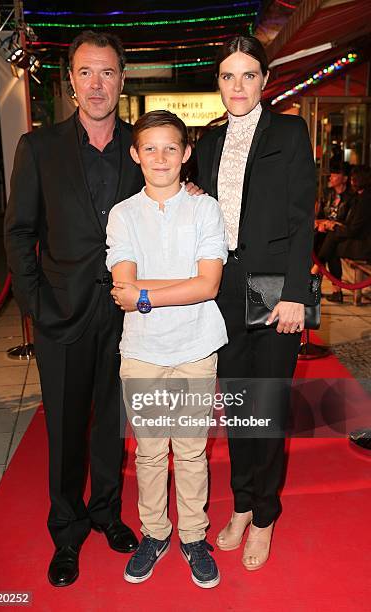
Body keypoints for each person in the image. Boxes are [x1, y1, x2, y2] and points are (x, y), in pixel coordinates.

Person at [5, 30, 200, 588]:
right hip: (60, 315)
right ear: (70, 81)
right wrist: (36, 305)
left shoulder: (139, 150)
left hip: (126, 318)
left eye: (108, 73)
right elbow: (19, 233)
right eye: (86, 73)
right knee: (65, 430)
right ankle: (66, 533)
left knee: (113, 425)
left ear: (122, 80)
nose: (97, 84)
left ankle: (107, 514)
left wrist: (189, 190)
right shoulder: (38, 148)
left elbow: (171, 190)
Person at [195, 35, 315, 570]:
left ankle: (265, 515)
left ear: (265, 81)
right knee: (239, 407)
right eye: (227, 76)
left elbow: (300, 219)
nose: (237, 86)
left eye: (248, 75)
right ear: (217, 82)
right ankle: (242, 503)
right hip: (222, 291)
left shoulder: (290, 132)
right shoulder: (208, 142)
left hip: (274, 290)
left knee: (266, 407)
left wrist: (294, 294)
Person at [106, 110, 227, 588]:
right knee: (151, 453)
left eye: (170, 148)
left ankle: (193, 536)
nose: (160, 157)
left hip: (197, 345)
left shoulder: (205, 208)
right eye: (150, 148)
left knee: (193, 452)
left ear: (187, 154)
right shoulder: (123, 214)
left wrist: (143, 295)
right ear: (135, 155)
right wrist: (178, 285)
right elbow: (122, 283)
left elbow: (210, 284)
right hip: (142, 348)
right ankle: (155, 533)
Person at [314, 165, 371, 298]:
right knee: (324, 239)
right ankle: (332, 289)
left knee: (331, 241)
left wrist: (333, 226)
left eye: (354, 178)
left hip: (364, 244)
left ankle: (315, 274)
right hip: (355, 237)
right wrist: (329, 224)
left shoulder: (362, 199)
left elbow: (354, 229)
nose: (352, 180)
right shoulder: (358, 197)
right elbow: (350, 224)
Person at [313, 162, 355, 302]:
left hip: (341, 235)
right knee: (318, 241)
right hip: (326, 232)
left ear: (344, 178)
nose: (331, 177)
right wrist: (322, 223)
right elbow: (319, 216)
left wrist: (332, 225)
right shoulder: (327, 193)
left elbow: (350, 224)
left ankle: (313, 278)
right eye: (331, 174)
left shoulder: (351, 197)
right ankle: (335, 291)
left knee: (331, 244)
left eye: (336, 174)